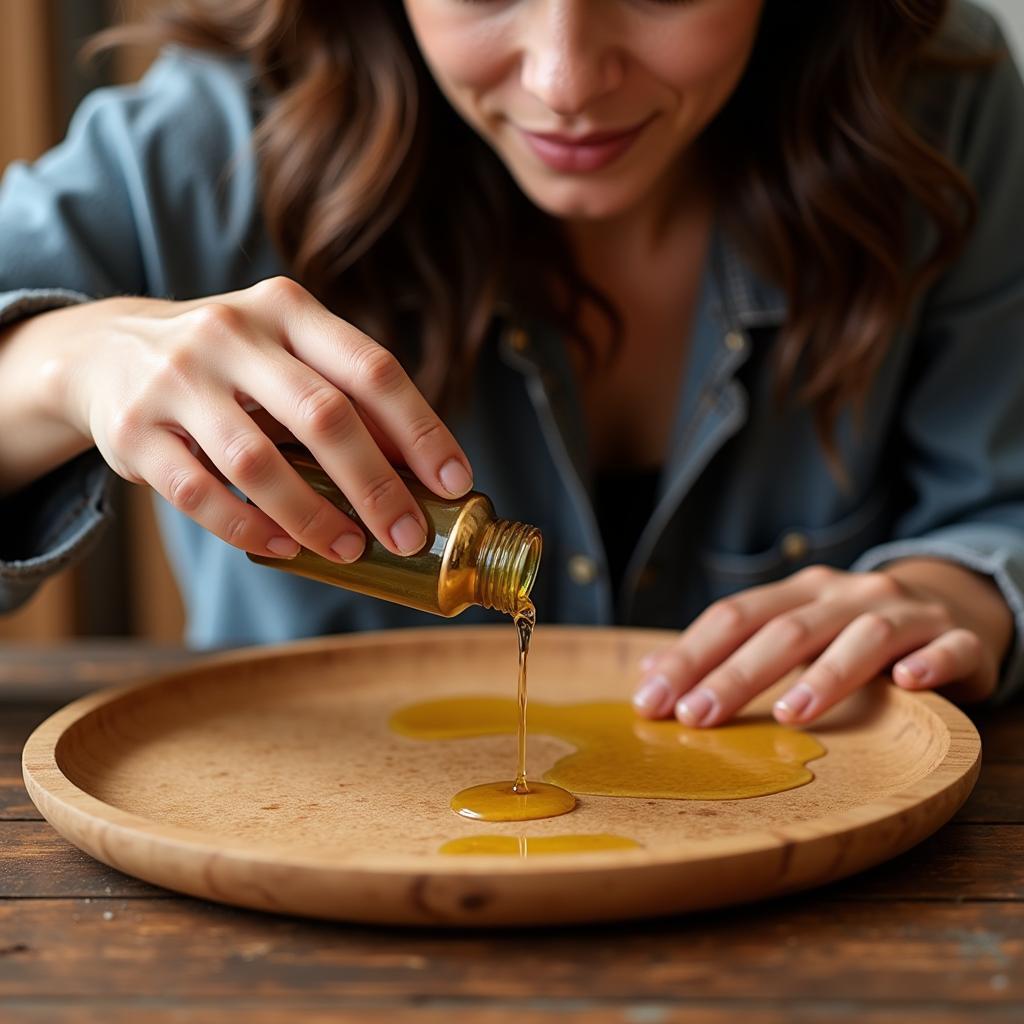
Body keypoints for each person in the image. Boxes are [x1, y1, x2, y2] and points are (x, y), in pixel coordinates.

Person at [0, 0, 1022, 731]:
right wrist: (58, 365)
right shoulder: (211, 142)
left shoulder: (937, 110)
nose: (564, 80)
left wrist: (962, 591)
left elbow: (1001, 506)